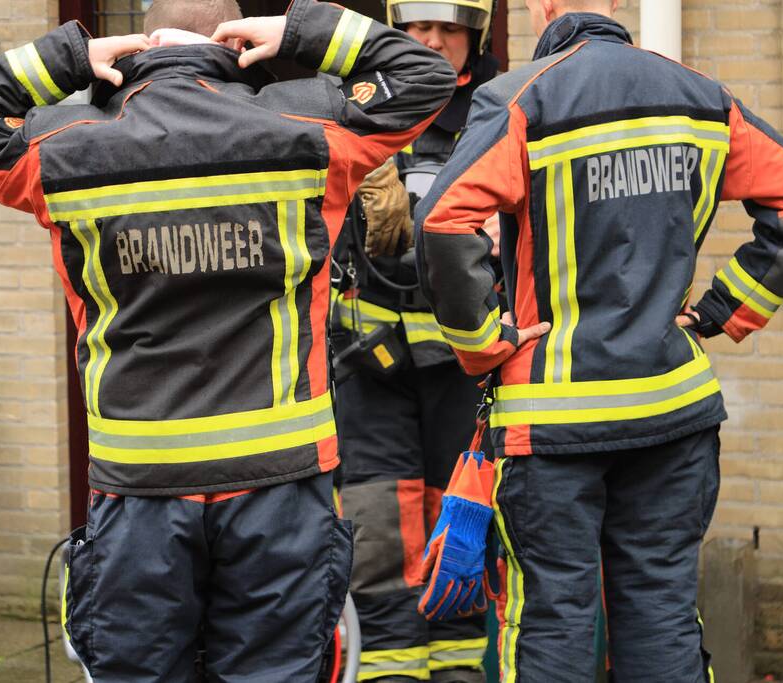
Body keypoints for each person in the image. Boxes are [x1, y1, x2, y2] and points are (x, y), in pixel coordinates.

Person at [0, 0, 455, 679]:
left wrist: (65, 56)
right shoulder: (309, 127)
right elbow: (424, 77)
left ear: (146, 38)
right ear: (234, 38)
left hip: (139, 488)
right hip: (280, 483)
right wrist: (299, 32)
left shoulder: (64, 144)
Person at [414, 0, 783, 680]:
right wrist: (721, 308)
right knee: (661, 609)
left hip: (553, 421)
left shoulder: (520, 97)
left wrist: (482, 342)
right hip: (673, 411)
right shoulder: (700, 96)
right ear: (615, 9)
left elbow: (443, 220)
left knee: (552, 618)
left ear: (543, 9)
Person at [330, 0, 500, 680]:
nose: (431, 43)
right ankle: (390, 670)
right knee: (377, 535)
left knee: (456, 532)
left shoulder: (497, 112)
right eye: (418, 29)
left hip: (463, 366)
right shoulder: (353, 108)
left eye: (448, 30)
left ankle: (457, 669)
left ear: (473, 36)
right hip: (368, 366)